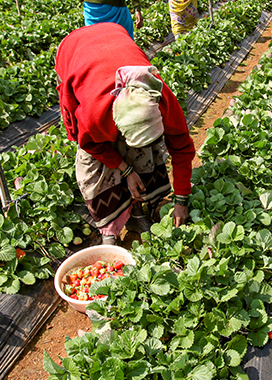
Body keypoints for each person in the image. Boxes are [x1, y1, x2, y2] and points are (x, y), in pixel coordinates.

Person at [55, 23, 196, 244]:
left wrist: (181, 200)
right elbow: (92, 145)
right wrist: (126, 169)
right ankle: (109, 229)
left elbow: (181, 150)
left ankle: (137, 213)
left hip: (114, 37)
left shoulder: (162, 100)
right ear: (116, 121)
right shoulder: (95, 113)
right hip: (75, 51)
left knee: (143, 154)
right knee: (93, 170)